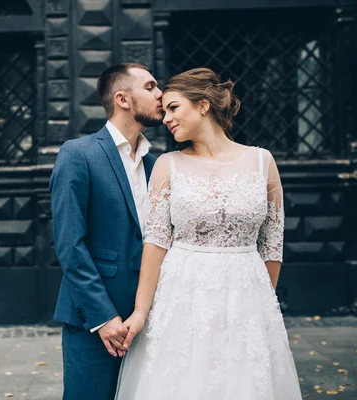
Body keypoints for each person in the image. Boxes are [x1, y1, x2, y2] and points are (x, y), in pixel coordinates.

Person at [115, 68, 302, 399]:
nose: (166, 118)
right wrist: (141, 311)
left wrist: (260, 301)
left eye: (173, 108)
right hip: (183, 298)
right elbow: (156, 243)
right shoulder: (166, 165)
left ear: (203, 105)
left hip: (248, 298)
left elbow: (272, 246)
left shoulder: (262, 162)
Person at [49, 63, 163, 400]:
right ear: (123, 99)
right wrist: (103, 317)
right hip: (95, 321)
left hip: (150, 318)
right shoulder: (78, 154)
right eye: (151, 86)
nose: (161, 95)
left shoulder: (157, 165)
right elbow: (70, 244)